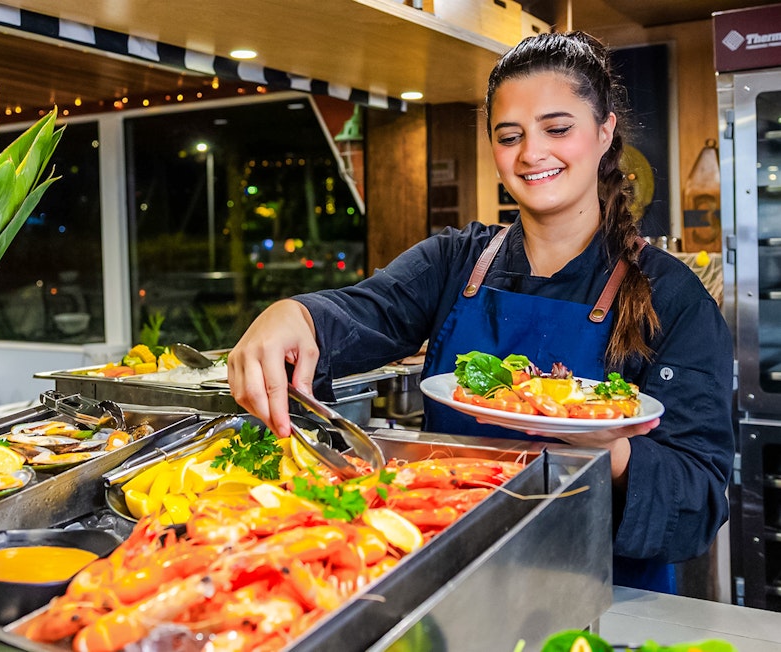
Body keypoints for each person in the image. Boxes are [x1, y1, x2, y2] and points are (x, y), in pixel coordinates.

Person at [227, 31, 734, 594]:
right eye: (509, 135)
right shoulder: (453, 261)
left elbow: (701, 495)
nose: (531, 153)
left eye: (557, 129)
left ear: (604, 131)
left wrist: (609, 450)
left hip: (607, 595)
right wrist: (294, 315)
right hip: (453, 579)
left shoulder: (672, 296)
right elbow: (360, 311)